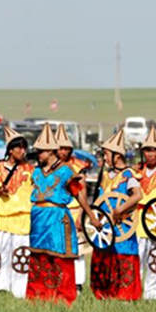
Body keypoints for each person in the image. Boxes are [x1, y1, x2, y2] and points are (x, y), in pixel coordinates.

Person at [26, 124, 100, 305]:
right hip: (38, 218)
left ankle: (64, 298)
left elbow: (79, 194)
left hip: (57, 217)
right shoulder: (36, 171)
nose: (38, 155)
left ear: (51, 152)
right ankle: (39, 296)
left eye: (41, 152)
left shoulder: (66, 171)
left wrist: (90, 216)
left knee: (60, 258)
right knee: (39, 257)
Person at [88, 128, 143, 301]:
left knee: (123, 258)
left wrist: (120, 209)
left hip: (121, 228)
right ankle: (105, 295)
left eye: (106, 154)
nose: (104, 158)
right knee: (105, 259)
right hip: (106, 228)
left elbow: (137, 195)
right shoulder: (105, 175)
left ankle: (125, 296)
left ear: (116, 156)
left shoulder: (128, 175)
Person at [0, 127, 34, 298]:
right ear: (10, 150)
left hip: (23, 219)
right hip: (3, 218)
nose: (22, 151)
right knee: (0, 254)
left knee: (20, 256)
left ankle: (19, 291)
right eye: (18, 147)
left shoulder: (31, 170)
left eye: (24, 147)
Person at [55, 124, 92, 292]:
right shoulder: (50, 166)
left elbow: (82, 192)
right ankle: (60, 282)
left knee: (77, 251)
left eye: (66, 148)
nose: (63, 152)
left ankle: (77, 285)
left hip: (75, 210)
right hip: (57, 212)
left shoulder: (77, 167)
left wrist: (81, 215)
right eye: (60, 148)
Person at [135, 126, 156, 300]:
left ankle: (152, 297)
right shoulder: (136, 172)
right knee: (137, 261)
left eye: (154, 150)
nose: (150, 154)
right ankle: (134, 294)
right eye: (147, 150)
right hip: (139, 223)